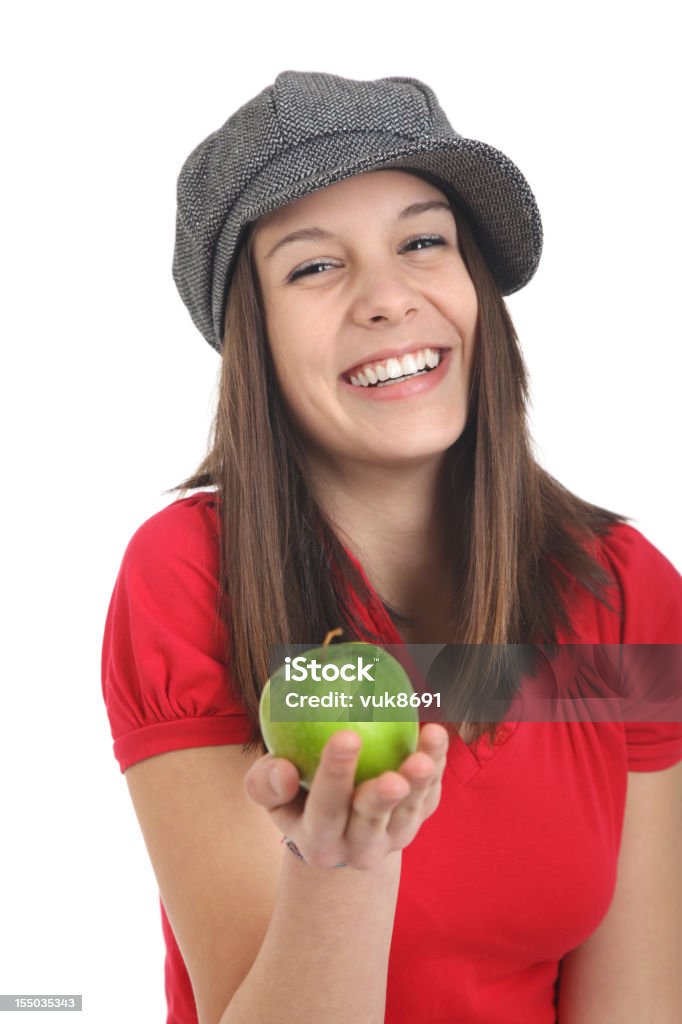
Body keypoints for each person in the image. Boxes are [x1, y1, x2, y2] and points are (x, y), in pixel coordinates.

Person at [101, 71, 682, 1024]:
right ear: (256, 340)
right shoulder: (191, 576)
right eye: (314, 267)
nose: (387, 298)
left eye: (422, 242)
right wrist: (341, 866)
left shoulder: (624, 593)